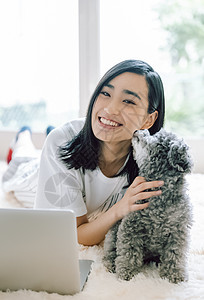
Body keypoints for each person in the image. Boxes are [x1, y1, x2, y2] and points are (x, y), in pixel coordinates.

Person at [2, 59, 165, 246]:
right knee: (23, 160)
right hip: (30, 178)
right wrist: (119, 209)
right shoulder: (60, 143)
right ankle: (22, 137)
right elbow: (72, 235)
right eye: (105, 93)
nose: (110, 108)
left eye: (128, 101)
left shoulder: (153, 158)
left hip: (68, 149)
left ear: (149, 119)